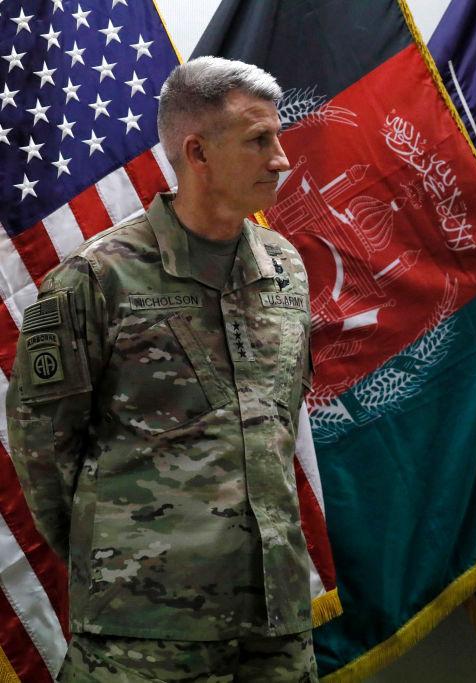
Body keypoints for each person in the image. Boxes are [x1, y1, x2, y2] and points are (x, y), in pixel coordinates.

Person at [6, 57, 318, 680]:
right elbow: (42, 449)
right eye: (260, 141)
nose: (281, 158)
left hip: (274, 625)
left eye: (278, 137)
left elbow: (280, 423)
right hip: (143, 635)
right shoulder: (96, 280)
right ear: (197, 153)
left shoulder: (284, 268)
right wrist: (129, 561)